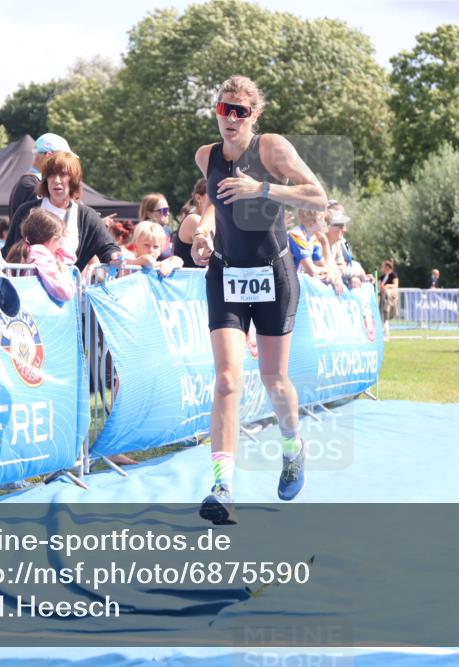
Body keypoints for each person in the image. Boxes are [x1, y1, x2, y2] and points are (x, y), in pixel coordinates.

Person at [189, 75, 328, 524]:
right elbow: (213, 201)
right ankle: (223, 485)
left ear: (255, 116)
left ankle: (293, 447)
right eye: (224, 109)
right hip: (226, 272)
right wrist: (205, 231)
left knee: (273, 378)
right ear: (216, 111)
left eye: (240, 111)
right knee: (228, 378)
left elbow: (317, 196)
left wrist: (262, 188)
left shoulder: (270, 149)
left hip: (274, 272)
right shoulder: (206, 156)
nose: (230, 119)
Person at [3, 151, 120, 274]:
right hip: (29, 288)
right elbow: (9, 250)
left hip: (67, 289)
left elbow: (108, 248)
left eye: (63, 174)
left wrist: (114, 257)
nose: (56, 180)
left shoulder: (87, 216)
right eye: (51, 174)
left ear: (74, 179)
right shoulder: (26, 211)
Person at [4, 208, 76, 301]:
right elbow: (65, 292)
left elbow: (71, 258)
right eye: (59, 238)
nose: (61, 243)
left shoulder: (29, 249)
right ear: (51, 239)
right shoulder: (39, 253)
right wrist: (64, 273)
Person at [8, 133, 71, 219]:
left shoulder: (29, 183)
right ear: (49, 156)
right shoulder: (31, 186)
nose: (67, 162)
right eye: (64, 157)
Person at [288, 208, 343, 294]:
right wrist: (328, 271)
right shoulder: (297, 235)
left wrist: (325, 244)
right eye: (324, 220)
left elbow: (324, 265)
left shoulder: (313, 238)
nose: (327, 225)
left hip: (292, 285)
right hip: (283, 285)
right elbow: (312, 271)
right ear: (313, 222)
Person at [174, 178, 207, 268]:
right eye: (213, 195)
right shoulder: (194, 219)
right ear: (198, 198)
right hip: (191, 280)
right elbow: (212, 251)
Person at [138, 192, 174, 258]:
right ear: (148, 214)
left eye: (168, 209)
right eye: (164, 210)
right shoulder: (141, 232)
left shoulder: (168, 230)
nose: (168, 213)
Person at [379, 258, 399, 340]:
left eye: (383, 266)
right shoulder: (382, 277)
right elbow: (379, 285)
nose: (382, 268)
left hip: (389, 298)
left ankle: (386, 335)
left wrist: (387, 286)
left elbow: (395, 285)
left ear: (387, 267)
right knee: (382, 315)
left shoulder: (393, 275)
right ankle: (383, 334)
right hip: (382, 297)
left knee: (386, 315)